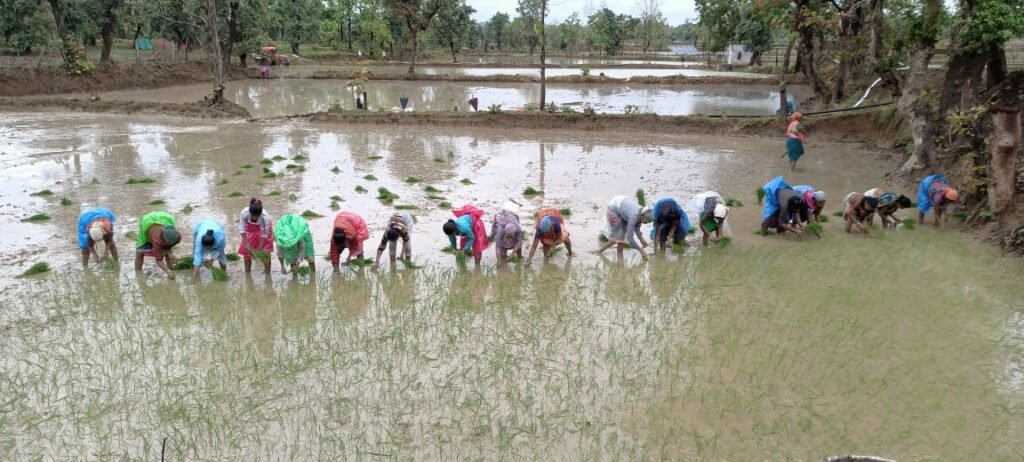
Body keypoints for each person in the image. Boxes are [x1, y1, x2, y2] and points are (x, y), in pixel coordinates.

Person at [594, 195, 652, 260]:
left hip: (622, 206)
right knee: (616, 238)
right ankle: (599, 251)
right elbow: (630, 238)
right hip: (613, 208)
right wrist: (640, 250)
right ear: (643, 216)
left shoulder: (641, 212)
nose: (646, 223)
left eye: (647, 222)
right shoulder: (633, 217)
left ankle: (620, 260)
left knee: (622, 237)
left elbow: (637, 224)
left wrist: (641, 238)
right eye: (645, 221)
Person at [134, 211, 182, 279]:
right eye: (168, 241)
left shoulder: (178, 237)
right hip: (147, 221)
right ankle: (138, 274)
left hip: (165, 218)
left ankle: (171, 273)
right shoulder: (157, 240)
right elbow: (158, 260)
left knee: (168, 255)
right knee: (139, 253)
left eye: (172, 242)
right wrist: (167, 270)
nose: (171, 243)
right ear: (163, 238)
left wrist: (170, 252)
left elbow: (170, 246)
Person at [238, 198, 277, 274]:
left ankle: (267, 274)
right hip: (250, 228)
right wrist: (246, 244)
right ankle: (247, 273)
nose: (255, 218)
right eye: (253, 216)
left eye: (257, 216)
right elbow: (242, 229)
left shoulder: (265, 217)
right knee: (247, 252)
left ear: (260, 214)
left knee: (265, 252)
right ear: (250, 212)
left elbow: (265, 235)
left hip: (263, 230)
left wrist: (260, 248)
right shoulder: (244, 213)